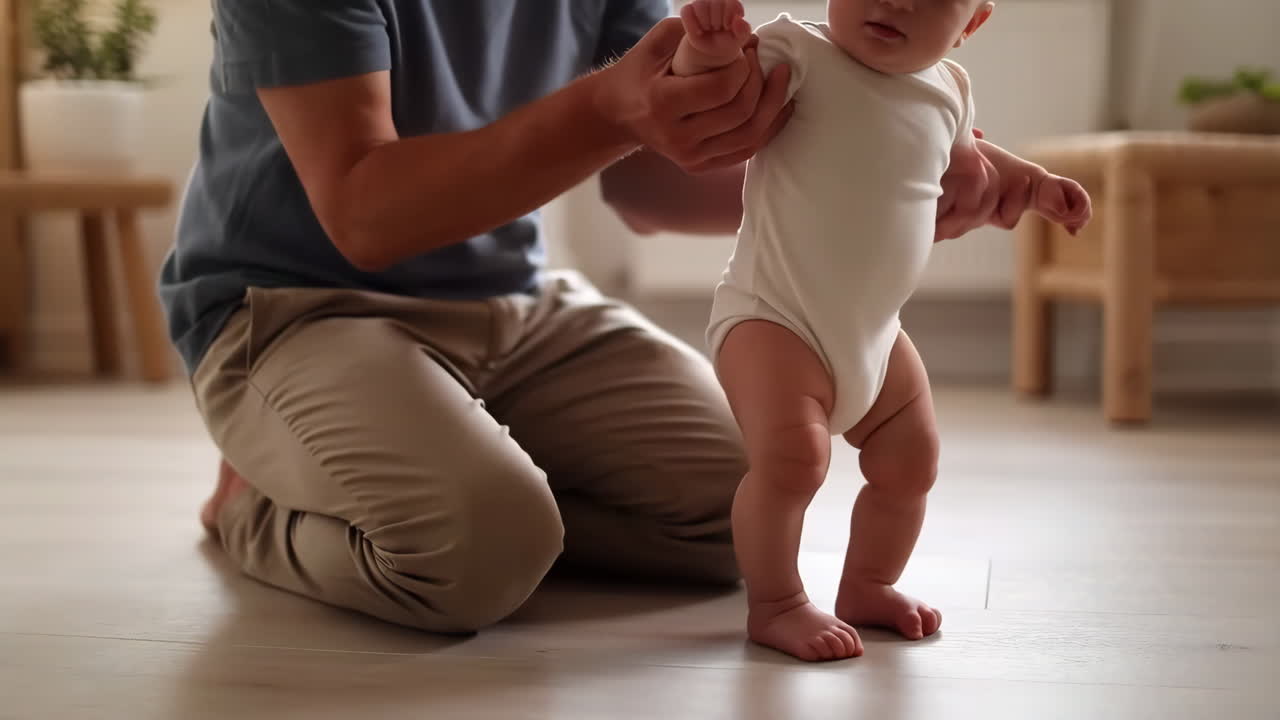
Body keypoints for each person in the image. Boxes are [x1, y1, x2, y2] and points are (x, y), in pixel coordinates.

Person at [160, 0, 1017, 635]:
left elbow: (645, 180)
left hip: (519, 303)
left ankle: (488, 498)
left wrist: (879, 187)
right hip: (295, 307)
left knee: (744, 503)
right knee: (473, 557)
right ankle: (252, 506)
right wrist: (608, 106)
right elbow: (363, 214)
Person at [668, 0, 1092, 661]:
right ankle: (776, 603)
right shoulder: (799, 51)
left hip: (875, 334)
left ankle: (869, 585)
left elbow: (970, 164)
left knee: (912, 462)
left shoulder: (950, 89)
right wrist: (707, 50)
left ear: (971, 24)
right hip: (772, 316)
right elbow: (713, 94)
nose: (897, 2)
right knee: (793, 464)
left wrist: (1034, 186)